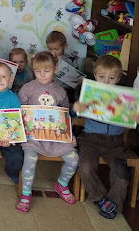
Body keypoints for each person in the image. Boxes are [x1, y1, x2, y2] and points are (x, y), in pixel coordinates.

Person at [74, 55, 137, 220]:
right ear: (95, 75)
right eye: (102, 76)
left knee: (121, 174)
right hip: (90, 140)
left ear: (118, 78)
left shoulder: (125, 97)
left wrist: (135, 119)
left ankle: (114, 204)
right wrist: (77, 108)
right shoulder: (88, 92)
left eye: (111, 78)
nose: (106, 81)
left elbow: (132, 120)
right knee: (85, 167)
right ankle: (99, 198)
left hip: (115, 143)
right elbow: (75, 114)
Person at [17, 52, 78, 213]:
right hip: (33, 137)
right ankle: (26, 194)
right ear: (33, 70)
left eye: (47, 70)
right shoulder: (27, 88)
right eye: (38, 71)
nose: (42, 75)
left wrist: (71, 135)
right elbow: (19, 112)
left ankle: (61, 184)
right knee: (29, 159)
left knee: (74, 159)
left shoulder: (61, 91)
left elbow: (65, 116)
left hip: (56, 137)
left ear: (55, 69)